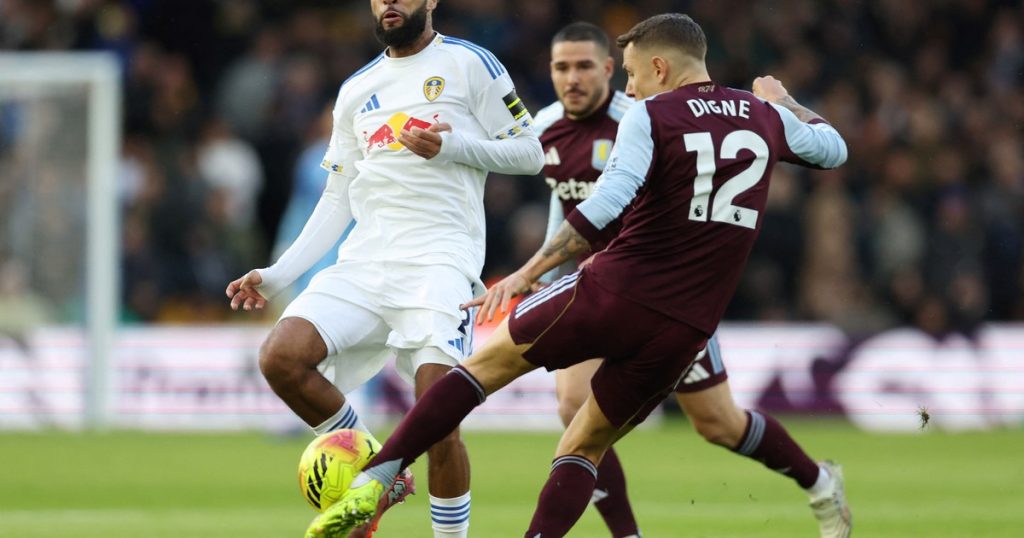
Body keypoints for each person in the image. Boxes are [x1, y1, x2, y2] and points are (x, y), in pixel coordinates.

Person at [314, 12, 849, 538]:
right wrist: (786, 104)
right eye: (561, 67)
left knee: (486, 370)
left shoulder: (646, 114)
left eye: (630, 74)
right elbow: (834, 150)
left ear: (658, 68)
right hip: (689, 318)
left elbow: (604, 207)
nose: (629, 87)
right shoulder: (763, 115)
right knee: (581, 432)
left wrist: (526, 274)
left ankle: (379, 475)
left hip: (617, 286)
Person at [226, 0, 544, 537]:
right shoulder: (356, 90)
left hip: (441, 261)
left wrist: (451, 148)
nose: (389, 3)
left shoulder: (472, 65)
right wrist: (278, 274)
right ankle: (380, 469)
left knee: (441, 419)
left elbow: (532, 152)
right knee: (281, 356)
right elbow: (337, 196)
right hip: (366, 262)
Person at [532, 22, 850, 538]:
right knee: (573, 405)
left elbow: (831, 151)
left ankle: (818, 480)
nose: (572, 78)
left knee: (718, 424)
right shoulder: (549, 127)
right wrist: (543, 266)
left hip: (670, 291)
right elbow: (565, 202)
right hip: (604, 286)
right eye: (561, 67)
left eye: (584, 66)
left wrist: (784, 104)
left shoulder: (640, 116)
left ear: (613, 72)